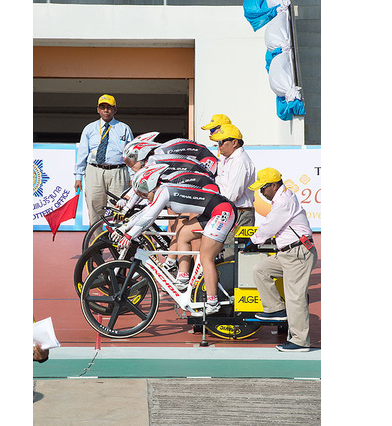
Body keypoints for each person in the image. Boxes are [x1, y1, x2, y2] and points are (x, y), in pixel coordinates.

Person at [113, 164, 237, 316]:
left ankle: (213, 303)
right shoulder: (161, 191)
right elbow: (145, 212)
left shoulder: (163, 192)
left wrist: (128, 235)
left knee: (206, 257)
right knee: (183, 234)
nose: (143, 197)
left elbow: (149, 217)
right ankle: (183, 278)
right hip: (211, 211)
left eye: (144, 194)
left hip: (223, 211)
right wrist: (124, 228)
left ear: (150, 185)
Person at [243, 168, 317, 352]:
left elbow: (270, 226)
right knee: (261, 270)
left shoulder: (283, 201)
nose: (261, 192)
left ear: (274, 185)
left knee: (295, 297)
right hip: (289, 253)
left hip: (298, 254)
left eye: (263, 188)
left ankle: (300, 341)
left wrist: (253, 241)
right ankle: (275, 309)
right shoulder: (282, 197)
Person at [74, 94, 133, 225]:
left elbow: (131, 155)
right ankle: (97, 243)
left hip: (118, 172)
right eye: (102, 107)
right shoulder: (90, 129)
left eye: (109, 107)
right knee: (94, 208)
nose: (106, 110)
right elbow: (82, 153)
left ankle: (117, 242)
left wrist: (132, 176)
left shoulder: (124, 128)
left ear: (115, 110)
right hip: (94, 171)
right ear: (98, 110)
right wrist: (78, 176)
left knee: (119, 208)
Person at [209, 123, 256, 260]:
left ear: (234, 142)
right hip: (234, 211)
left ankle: (231, 281)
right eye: (218, 142)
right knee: (227, 252)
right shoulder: (231, 159)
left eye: (222, 142)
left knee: (232, 255)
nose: (219, 146)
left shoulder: (240, 161)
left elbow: (231, 195)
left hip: (239, 213)